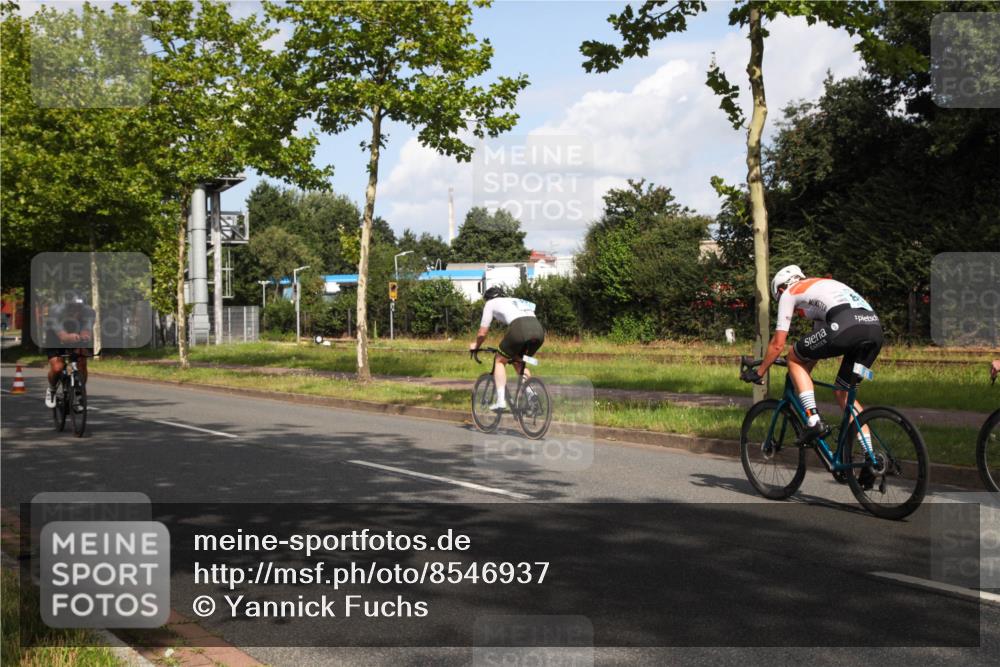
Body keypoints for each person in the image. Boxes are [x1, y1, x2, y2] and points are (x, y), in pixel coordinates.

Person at [742, 265, 884, 449]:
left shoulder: (789, 293)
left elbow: (777, 345)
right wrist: (802, 372)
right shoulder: (822, 287)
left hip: (846, 326)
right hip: (874, 330)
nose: (795, 313)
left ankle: (813, 420)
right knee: (843, 392)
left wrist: (759, 372)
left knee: (792, 355)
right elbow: (816, 349)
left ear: (781, 289)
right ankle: (871, 458)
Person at [469, 285, 545, 411]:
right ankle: (532, 396)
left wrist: (476, 346)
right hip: (538, 330)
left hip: (520, 328)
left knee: (499, 361)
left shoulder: (490, 303)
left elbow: (482, 333)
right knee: (519, 362)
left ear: (488, 298)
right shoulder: (516, 300)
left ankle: (500, 401)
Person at [42, 292, 95, 410]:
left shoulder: (89, 312)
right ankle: (52, 389)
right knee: (57, 367)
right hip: (55, 336)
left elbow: (87, 328)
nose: (75, 310)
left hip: (77, 334)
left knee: (81, 362)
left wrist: (85, 334)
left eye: (78, 308)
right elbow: (62, 335)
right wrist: (67, 337)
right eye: (71, 307)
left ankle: (79, 392)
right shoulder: (56, 312)